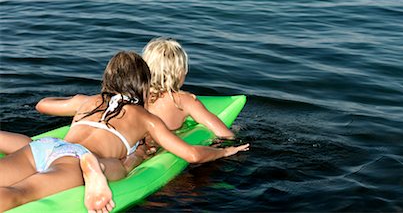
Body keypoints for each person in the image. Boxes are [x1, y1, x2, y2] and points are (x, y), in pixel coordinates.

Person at [0, 51, 249, 212]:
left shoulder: (89, 100)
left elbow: (42, 105)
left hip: (45, 147)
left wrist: (77, 100)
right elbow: (192, 155)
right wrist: (225, 151)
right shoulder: (145, 118)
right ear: (143, 84)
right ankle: (97, 168)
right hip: (76, 160)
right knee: (19, 194)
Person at [1, 37, 238, 175]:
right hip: (133, 154)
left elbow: (42, 106)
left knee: (35, 150)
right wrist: (227, 147)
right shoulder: (183, 101)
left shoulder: (102, 101)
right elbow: (223, 133)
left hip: (58, 146)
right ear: (181, 73)